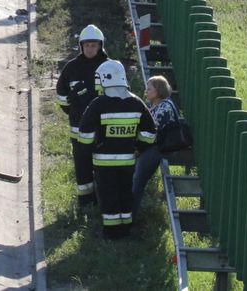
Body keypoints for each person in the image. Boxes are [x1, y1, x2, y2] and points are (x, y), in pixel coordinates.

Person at [77, 60, 157, 239]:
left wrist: (88, 151)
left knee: (108, 195)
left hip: (103, 162)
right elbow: (150, 132)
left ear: (104, 79)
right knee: (125, 194)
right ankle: (126, 229)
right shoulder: (137, 103)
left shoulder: (98, 104)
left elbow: (85, 134)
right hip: (128, 161)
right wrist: (139, 147)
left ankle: (111, 233)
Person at [54, 24, 108, 205]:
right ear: (81, 46)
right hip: (78, 126)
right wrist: (73, 110)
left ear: (100, 46)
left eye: (93, 45)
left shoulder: (109, 67)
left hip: (103, 126)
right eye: (87, 45)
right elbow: (61, 95)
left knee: (103, 164)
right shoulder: (72, 68)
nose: (90, 49)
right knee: (82, 163)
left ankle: (103, 198)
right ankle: (85, 202)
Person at [130, 75, 182, 215]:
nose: (146, 91)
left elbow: (155, 135)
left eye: (149, 88)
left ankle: (131, 215)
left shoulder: (165, 107)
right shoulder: (151, 105)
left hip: (158, 148)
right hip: (147, 147)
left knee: (137, 180)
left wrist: (139, 149)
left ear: (159, 90)